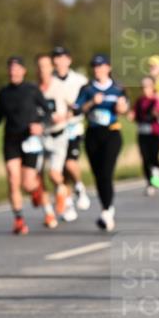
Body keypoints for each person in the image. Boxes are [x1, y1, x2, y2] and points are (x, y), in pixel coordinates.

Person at [0, 56, 51, 234]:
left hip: (30, 140)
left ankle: (37, 190)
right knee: (13, 179)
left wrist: (40, 125)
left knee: (27, 183)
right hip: (11, 140)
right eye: (10, 68)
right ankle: (19, 219)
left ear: (23, 71)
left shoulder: (32, 90)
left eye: (16, 68)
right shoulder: (3, 92)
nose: (13, 72)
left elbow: (47, 112)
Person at [75, 55, 128, 231]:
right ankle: (107, 208)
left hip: (112, 133)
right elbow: (78, 109)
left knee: (106, 171)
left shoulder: (117, 88)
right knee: (98, 175)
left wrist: (122, 108)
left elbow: (124, 107)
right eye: (95, 67)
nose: (97, 69)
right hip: (93, 133)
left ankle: (106, 210)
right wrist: (92, 103)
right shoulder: (87, 88)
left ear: (108, 68)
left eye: (101, 66)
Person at [51, 46, 92, 216]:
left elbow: (88, 104)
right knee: (57, 172)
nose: (59, 61)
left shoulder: (80, 81)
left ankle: (79, 187)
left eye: (62, 57)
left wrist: (74, 109)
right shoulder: (49, 81)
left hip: (74, 127)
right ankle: (67, 203)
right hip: (54, 130)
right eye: (56, 57)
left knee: (70, 163)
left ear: (69, 60)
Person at [37, 53, 74, 222]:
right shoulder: (34, 89)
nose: (42, 70)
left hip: (58, 135)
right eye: (39, 66)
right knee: (38, 178)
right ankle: (48, 213)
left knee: (53, 174)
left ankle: (62, 190)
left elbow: (74, 108)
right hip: (40, 137)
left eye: (45, 66)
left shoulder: (60, 87)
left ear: (51, 67)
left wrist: (63, 116)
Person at [133, 76, 159, 196]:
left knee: (154, 155)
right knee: (145, 158)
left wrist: (158, 113)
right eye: (143, 87)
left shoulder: (157, 101)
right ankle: (149, 183)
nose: (145, 89)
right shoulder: (139, 101)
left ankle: (158, 170)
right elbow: (134, 115)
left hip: (155, 132)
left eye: (147, 87)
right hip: (142, 132)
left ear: (152, 87)